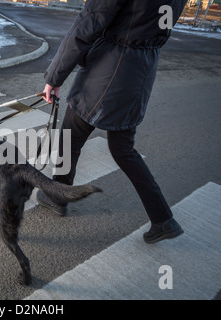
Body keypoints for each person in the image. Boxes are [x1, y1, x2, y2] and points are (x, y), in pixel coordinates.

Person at [37, 0, 187, 243]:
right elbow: (160, 27)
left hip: (109, 69)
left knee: (69, 135)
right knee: (123, 148)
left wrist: (54, 77)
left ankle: (58, 195)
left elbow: (88, 23)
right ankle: (163, 219)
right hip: (141, 70)